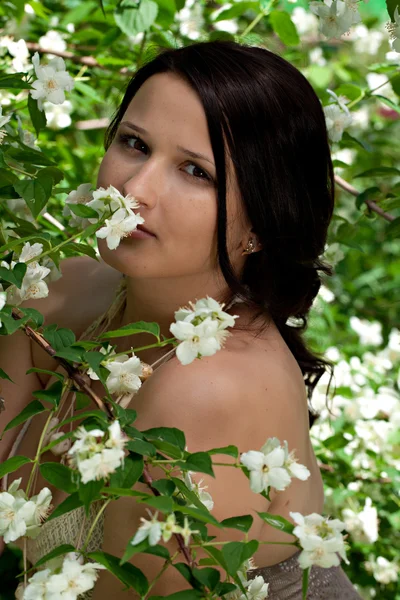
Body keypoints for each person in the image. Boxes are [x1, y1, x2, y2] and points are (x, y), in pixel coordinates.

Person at [0, 40, 362, 598]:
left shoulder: (205, 389)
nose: (134, 190)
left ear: (261, 226)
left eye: (195, 171)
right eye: (134, 143)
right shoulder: (59, 294)